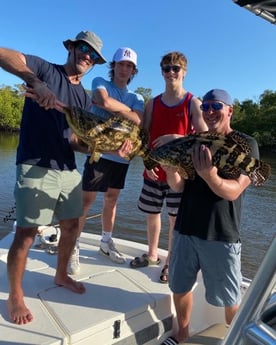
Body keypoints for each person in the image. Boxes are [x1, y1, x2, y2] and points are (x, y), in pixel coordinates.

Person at [0, 30, 106, 325]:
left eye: (94, 56)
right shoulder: (46, 69)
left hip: (67, 168)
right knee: (27, 233)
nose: (88, 56)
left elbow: (78, 143)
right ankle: (16, 295)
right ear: (71, 47)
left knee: (72, 225)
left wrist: (100, 145)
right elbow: (3, 54)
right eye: (84, 49)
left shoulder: (83, 99)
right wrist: (36, 83)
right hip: (35, 165)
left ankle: (61, 275)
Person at [161, 89, 260, 344]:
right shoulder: (196, 140)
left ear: (230, 110)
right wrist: (171, 171)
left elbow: (234, 190)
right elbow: (179, 187)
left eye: (216, 106)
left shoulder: (246, 144)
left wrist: (210, 176)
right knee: (179, 287)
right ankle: (181, 333)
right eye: (205, 107)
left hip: (221, 234)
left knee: (230, 299)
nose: (210, 111)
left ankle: (237, 337)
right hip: (185, 228)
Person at [129, 51, 207, 284]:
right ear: (161, 72)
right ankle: (153, 254)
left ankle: (171, 260)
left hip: (179, 173)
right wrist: (146, 160)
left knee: (175, 219)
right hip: (153, 169)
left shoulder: (192, 101)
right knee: (152, 215)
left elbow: (204, 135)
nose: (171, 72)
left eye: (175, 68)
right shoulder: (153, 103)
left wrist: (176, 136)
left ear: (184, 72)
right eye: (166, 69)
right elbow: (144, 135)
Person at [67, 47, 144, 274]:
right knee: (86, 202)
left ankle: (105, 242)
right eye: (120, 64)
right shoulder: (101, 81)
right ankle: (73, 246)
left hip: (121, 157)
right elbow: (102, 100)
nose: (124, 69)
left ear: (133, 71)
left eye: (129, 66)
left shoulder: (137, 97)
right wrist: (126, 111)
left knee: (111, 200)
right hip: (99, 153)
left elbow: (138, 120)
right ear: (114, 66)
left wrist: (119, 108)